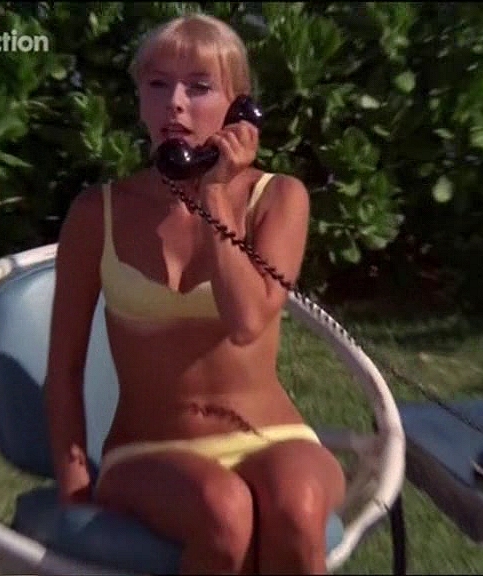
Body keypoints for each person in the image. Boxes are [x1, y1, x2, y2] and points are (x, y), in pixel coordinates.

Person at [44, 12, 346, 575]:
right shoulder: (96, 212)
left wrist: (214, 197)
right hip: (148, 452)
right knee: (222, 512)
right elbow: (64, 367)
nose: (175, 104)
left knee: (298, 510)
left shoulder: (279, 198)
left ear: (239, 106)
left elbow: (247, 321)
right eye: (158, 85)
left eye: (199, 87)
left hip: (272, 435)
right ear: (140, 100)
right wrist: (73, 484)